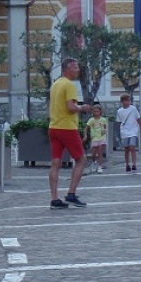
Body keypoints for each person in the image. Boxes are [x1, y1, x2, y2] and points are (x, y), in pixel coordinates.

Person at [48, 56, 90, 208]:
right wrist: (82, 107)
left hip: (53, 127)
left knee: (55, 162)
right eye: (75, 67)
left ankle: (54, 199)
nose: (78, 70)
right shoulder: (69, 85)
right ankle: (71, 194)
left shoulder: (56, 84)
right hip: (67, 127)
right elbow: (71, 107)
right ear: (68, 68)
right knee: (81, 160)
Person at [116, 92, 141, 174]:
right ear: (121, 102)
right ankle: (127, 165)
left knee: (132, 147)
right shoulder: (119, 111)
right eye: (124, 101)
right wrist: (118, 133)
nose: (125, 102)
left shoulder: (133, 109)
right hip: (124, 131)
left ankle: (134, 164)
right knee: (126, 149)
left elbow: (138, 118)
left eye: (127, 100)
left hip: (133, 130)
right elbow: (119, 122)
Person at [83, 103, 107, 174]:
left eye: (97, 111)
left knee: (100, 152)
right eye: (95, 111)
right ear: (93, 112)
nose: (96, 113)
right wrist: (85, 135)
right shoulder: (91, 120)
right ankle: (94, 162)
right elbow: (86, 128)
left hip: (101, 138)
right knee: (93, 154)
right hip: (94, 138)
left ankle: (100, 166)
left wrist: (104, 133)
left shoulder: (103, 120)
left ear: (100, 112)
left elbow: (105, 128)